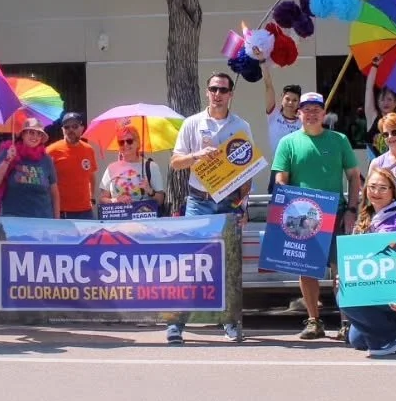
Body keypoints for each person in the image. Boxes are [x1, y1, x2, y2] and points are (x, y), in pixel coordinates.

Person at [166, 71, 253, 344]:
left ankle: (229, 321)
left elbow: (247, 171)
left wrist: (242, 206)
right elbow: (175, 162)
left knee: (228, 264)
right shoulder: (192, 123)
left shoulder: (241, 125)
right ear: (207, 92)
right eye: (214, 89)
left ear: (231, 95)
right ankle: (176, 324)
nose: (218, 94)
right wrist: (196, 156)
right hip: (199, 201)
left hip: (227, 202)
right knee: (190, 263)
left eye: (223, 90)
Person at [272, 91, 362, 340]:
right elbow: (281, 177)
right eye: (306, 109)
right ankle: (314, 321)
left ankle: (346, 323)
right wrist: (284, 203)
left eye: (316, 109)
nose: (311, 113)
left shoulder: (339, 140)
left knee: (340, 271)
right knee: (306, 270)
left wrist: (352, 210)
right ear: (298, 113)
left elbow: (354, 176)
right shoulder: (288, 143)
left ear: (324, 113)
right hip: (302, 216)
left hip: (336, 213)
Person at [340, 167, 396, 358]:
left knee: (345, 297)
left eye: (383, 188)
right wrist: (347, 274)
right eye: (372, 187)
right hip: (377, 289)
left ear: (392, 191)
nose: (376, 192)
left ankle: (392, 337)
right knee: (357, 340)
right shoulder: (365, 218)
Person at [0, 116, 61, 218]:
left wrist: (57, 220)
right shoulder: (9, 152)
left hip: (43, 221)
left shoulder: (46, 159)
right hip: (14, 220)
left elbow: (54, 193)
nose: (35, 136)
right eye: (31, 132)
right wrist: (7, 160)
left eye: (39, 133)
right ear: (23, 134)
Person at [99, 124, 166, 210]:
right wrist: (116, 200)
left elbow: (160, 201)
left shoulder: (151, 167)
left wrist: (150, 190)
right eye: (121, 142)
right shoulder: (111, 168)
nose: (125, 144)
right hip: (118, 219)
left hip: (143, 218)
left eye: (129, 141)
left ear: (138, 143)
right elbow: (102, 199)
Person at [47, 111, 98, 219]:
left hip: (86, 211)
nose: (71, 130)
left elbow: (91, 177)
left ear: (82, 128)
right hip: (62, 211)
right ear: (62, 130)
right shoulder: (51, 151)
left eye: (75, 126)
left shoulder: (89, 149)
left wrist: (91, 198)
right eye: (67, 127)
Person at [263, 62, 301, 190]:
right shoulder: (273, 114)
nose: (290, 103)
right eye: (287, 99)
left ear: (299, 102)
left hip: (298, 171)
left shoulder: (303, 122)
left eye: (295, 100)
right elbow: (268, 86)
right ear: (282, 98)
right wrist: (263, 62)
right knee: (276, 208)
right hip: (278, 169)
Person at [363, 57, 396, 156]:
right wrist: (374, 66)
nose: (386, 103)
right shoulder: (372, 116)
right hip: (375, 169)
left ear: (395, 103)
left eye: (389, 99)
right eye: (382, 99)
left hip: (395, 169)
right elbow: (369, 89)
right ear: (377, 102)